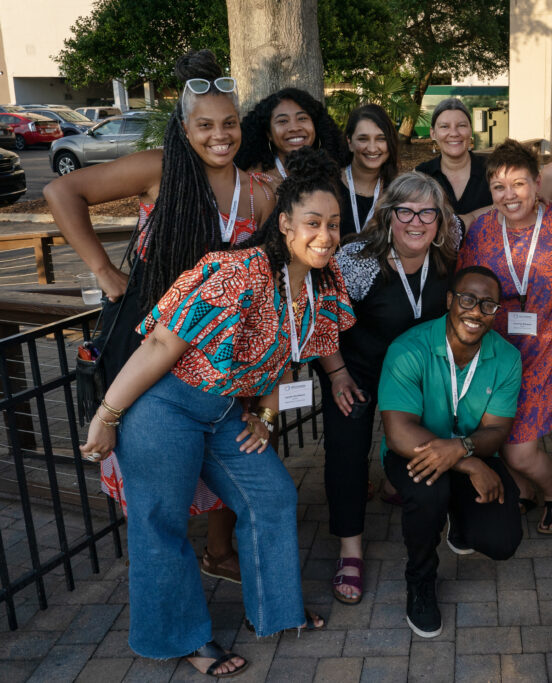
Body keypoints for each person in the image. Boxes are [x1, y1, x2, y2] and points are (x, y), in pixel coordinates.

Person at [79, 147, 356, 675]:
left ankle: (275, 610)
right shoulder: (238, 272)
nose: (325, 235)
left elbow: (286, 355)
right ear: (285, 224)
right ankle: (183, 638)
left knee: (271, 495)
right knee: (159, 523)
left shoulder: (321, 284)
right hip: (165, 406)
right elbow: (161, 343)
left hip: (225, 412)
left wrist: (266, 417)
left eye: (334, 224)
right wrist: (106, 416)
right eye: (313, 222)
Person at [44, 50, 274, 587]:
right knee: (149, 456)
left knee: (225, 446)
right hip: (150, 339)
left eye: (229, 123)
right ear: (185, 127)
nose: (220, 135)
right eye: (205, 125)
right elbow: (62, 191)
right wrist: (105, 270)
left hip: (219, 351)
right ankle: (161, 568)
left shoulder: (258, 192)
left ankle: (218, 551)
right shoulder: (161, 167)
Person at [322, 171, 461, 604]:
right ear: (387, 215)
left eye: (427, 212)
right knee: (347, 450)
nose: (416, 222)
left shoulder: (448, 248)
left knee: (425, 434)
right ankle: (350, 549)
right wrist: (337, 373)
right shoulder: (358, 260)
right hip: (356, 369)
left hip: (414, 374)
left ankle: (399, 486)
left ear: (440, 219)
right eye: (405, 211)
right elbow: (323, 318)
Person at [379, 265, 523, 638]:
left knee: (503, 542)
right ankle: (420, 581)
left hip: (470, 450)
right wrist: (470, 464)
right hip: (413, 453)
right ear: (449, 300)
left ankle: (459, 518)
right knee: (429, 492)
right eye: (468, 299)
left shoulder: (507, 357)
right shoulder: (408, 348)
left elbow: (497, 430)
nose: (476, 311)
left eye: (488, 304)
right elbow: (399, 432)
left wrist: (462, 449)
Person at [457, 139, 552, 534]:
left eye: (519, 184)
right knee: (494, 432)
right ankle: (524, 489)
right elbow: (465, 285)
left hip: (550, 350)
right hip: (498, 355)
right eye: (499, 187)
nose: (509, 196)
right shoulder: (482, 230)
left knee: (519, 450)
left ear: (537, 183)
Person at [236, 87, 346, 190]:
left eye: (302, 118)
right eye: (283, 121)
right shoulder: (256, 182)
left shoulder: (335, 173)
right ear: (269, 133)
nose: (294, 128)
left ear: (316, 126)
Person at [415, 97, 492, 225]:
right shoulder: (421, 174)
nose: (454, 133)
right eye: (444, 126)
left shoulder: (493, 169)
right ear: (433, 133)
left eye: (461, 125)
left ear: (470, 130)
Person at [340, 103, 400, 238]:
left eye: (381, 139)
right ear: (350, 142)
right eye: (363, 139)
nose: (372, 148)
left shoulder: (398, 191)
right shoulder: (329, 185)